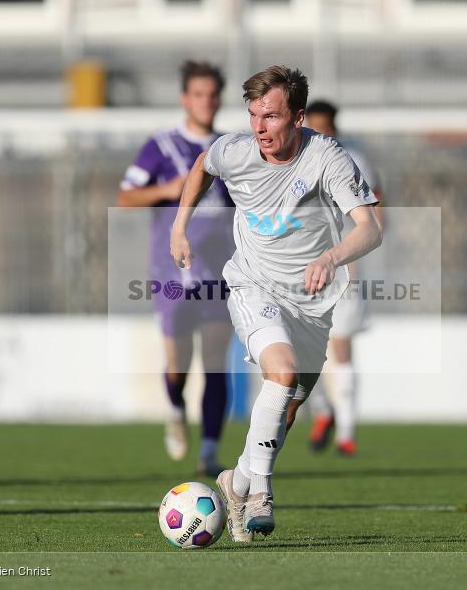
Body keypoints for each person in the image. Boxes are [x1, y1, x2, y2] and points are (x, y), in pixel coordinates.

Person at [170, 66, 382, 541]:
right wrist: (178, 226)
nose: (260, 127)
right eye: (253, 115)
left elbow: (370, 228)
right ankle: (260, 491)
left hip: (311, 304)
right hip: (253, 284)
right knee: (281, 375)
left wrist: (333, 255)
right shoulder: (237, 150)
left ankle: (237, 481)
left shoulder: (329, 158)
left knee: (285, 410)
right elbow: (203, 164)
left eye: (271, 116)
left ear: (299, 117)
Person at [117, 61, 234, 476]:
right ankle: (175, 406)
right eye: (198, 94)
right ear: (185, 99)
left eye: (213, 94)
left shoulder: (230, 147)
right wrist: (169, 189)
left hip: (221, 268)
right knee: (178, 361)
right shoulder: (162, 145)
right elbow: (126, 196)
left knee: (217, 354)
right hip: (172, 271)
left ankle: (209, 451)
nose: (206, 101)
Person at [303, 100, 384, 457]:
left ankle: (347, 432)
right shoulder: (297, 159)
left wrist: (356, 252)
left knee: (342, 346)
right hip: (303, 268)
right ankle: (324, 412)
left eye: (326, 128)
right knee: (300, 352)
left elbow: (376, 212)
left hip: (344, 266)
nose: (320, 134)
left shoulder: (354, 159)